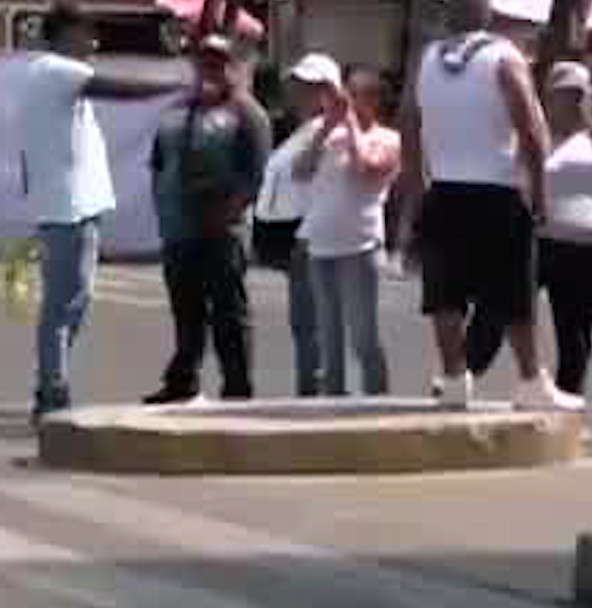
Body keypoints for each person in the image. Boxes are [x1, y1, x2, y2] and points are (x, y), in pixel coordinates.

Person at [399, 0, 581, 411]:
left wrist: (416, 189)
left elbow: (408, 125)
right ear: (488, 13)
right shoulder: (505, 57)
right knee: (513, 291)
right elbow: (532, 131)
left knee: (445, 292)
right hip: (498, 189)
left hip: (443, 188)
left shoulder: (426, 59)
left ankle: (454, 376)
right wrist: (538, 191)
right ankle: (530, 381)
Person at [18, 1, 182, 421]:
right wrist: (178, 84)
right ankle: (51, 392)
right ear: (62, 35)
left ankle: (50, 386)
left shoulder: (45, 74)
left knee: (71, 301)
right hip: (68, 208)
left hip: (70, 204)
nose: (93, 41)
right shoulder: (57, 68)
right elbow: (120, 88)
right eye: (84, 33)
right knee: (63, 305)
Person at [465, 61, 592, 395]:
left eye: (577, 95)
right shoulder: (532, 135)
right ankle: (461, 376)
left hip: (587, 248)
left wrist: (591, 127)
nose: (569, 102)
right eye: (562, 94)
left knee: (574, 331)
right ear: (546, 97)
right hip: (534, 240)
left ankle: (568, 400)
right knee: (496, 308)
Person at [144, 34, 273, 404]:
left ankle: (237, 388)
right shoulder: (177, 110)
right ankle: (182, 381)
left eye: (219, 62)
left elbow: (256, 175)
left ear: (234, 66)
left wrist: (229, 214)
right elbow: (158, 163)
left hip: (222, 232)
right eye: (204, 61)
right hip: (177, 229)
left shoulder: (247, 114)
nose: (211, 68)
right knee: (186, 310)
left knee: (229, 312)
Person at [295, 66, 400, 397]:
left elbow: (365, 169)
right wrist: (327, 126)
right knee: (329, 338)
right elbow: (300, 171)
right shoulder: (327, 134)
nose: (351, 102)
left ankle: (377, 403)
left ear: (376, 100)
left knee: (363, 338)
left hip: (360, 247)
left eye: (360, 95)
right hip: (321, 246)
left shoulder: (389, 139)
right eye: (349, 94)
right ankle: (332, 404)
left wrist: (351, 124)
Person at [253, 54, 342, 396]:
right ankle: (313, 390)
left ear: (329, 91)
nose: (300, 93)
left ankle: (317, 394)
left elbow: (308, 175)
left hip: (312, 235)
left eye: (311, 87)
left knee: (311, 323)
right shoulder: (301, 131)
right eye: (298, 85)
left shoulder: (329, 132)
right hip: (294, 238)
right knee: (305, 323)